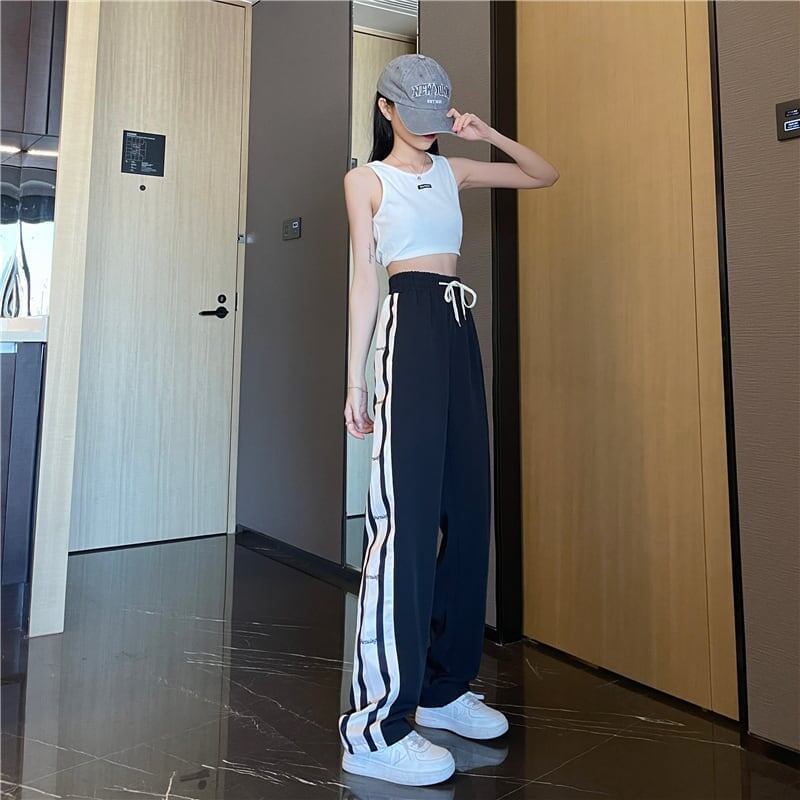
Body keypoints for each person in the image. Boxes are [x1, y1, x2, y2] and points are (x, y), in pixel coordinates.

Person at [339, 53, 559, 787]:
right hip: (408, 328)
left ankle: (441, 688)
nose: (430, 131)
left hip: (458, 325)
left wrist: (485, 132)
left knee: (467, 512)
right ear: (385, 109)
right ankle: (374, 729)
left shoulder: (451, 169)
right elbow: (364, 277)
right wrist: (356, 378)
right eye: (417, 117)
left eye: (439, 118)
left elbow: (542, 174)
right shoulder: (367, 180)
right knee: (404, 523)